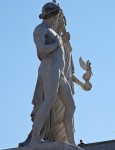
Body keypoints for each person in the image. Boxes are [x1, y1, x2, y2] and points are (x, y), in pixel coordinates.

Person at [29, 2, 76, 148]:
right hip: (49, 69)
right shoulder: (40, 29)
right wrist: (58, 43)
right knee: (49, 101)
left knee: (71, 106)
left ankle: (72, 142)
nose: (59, 19)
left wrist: (62, 41)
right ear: (54, 14)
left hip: (59, 72)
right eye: (58, 16)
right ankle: (35, 138)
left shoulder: (52, 30)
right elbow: (42, 50)